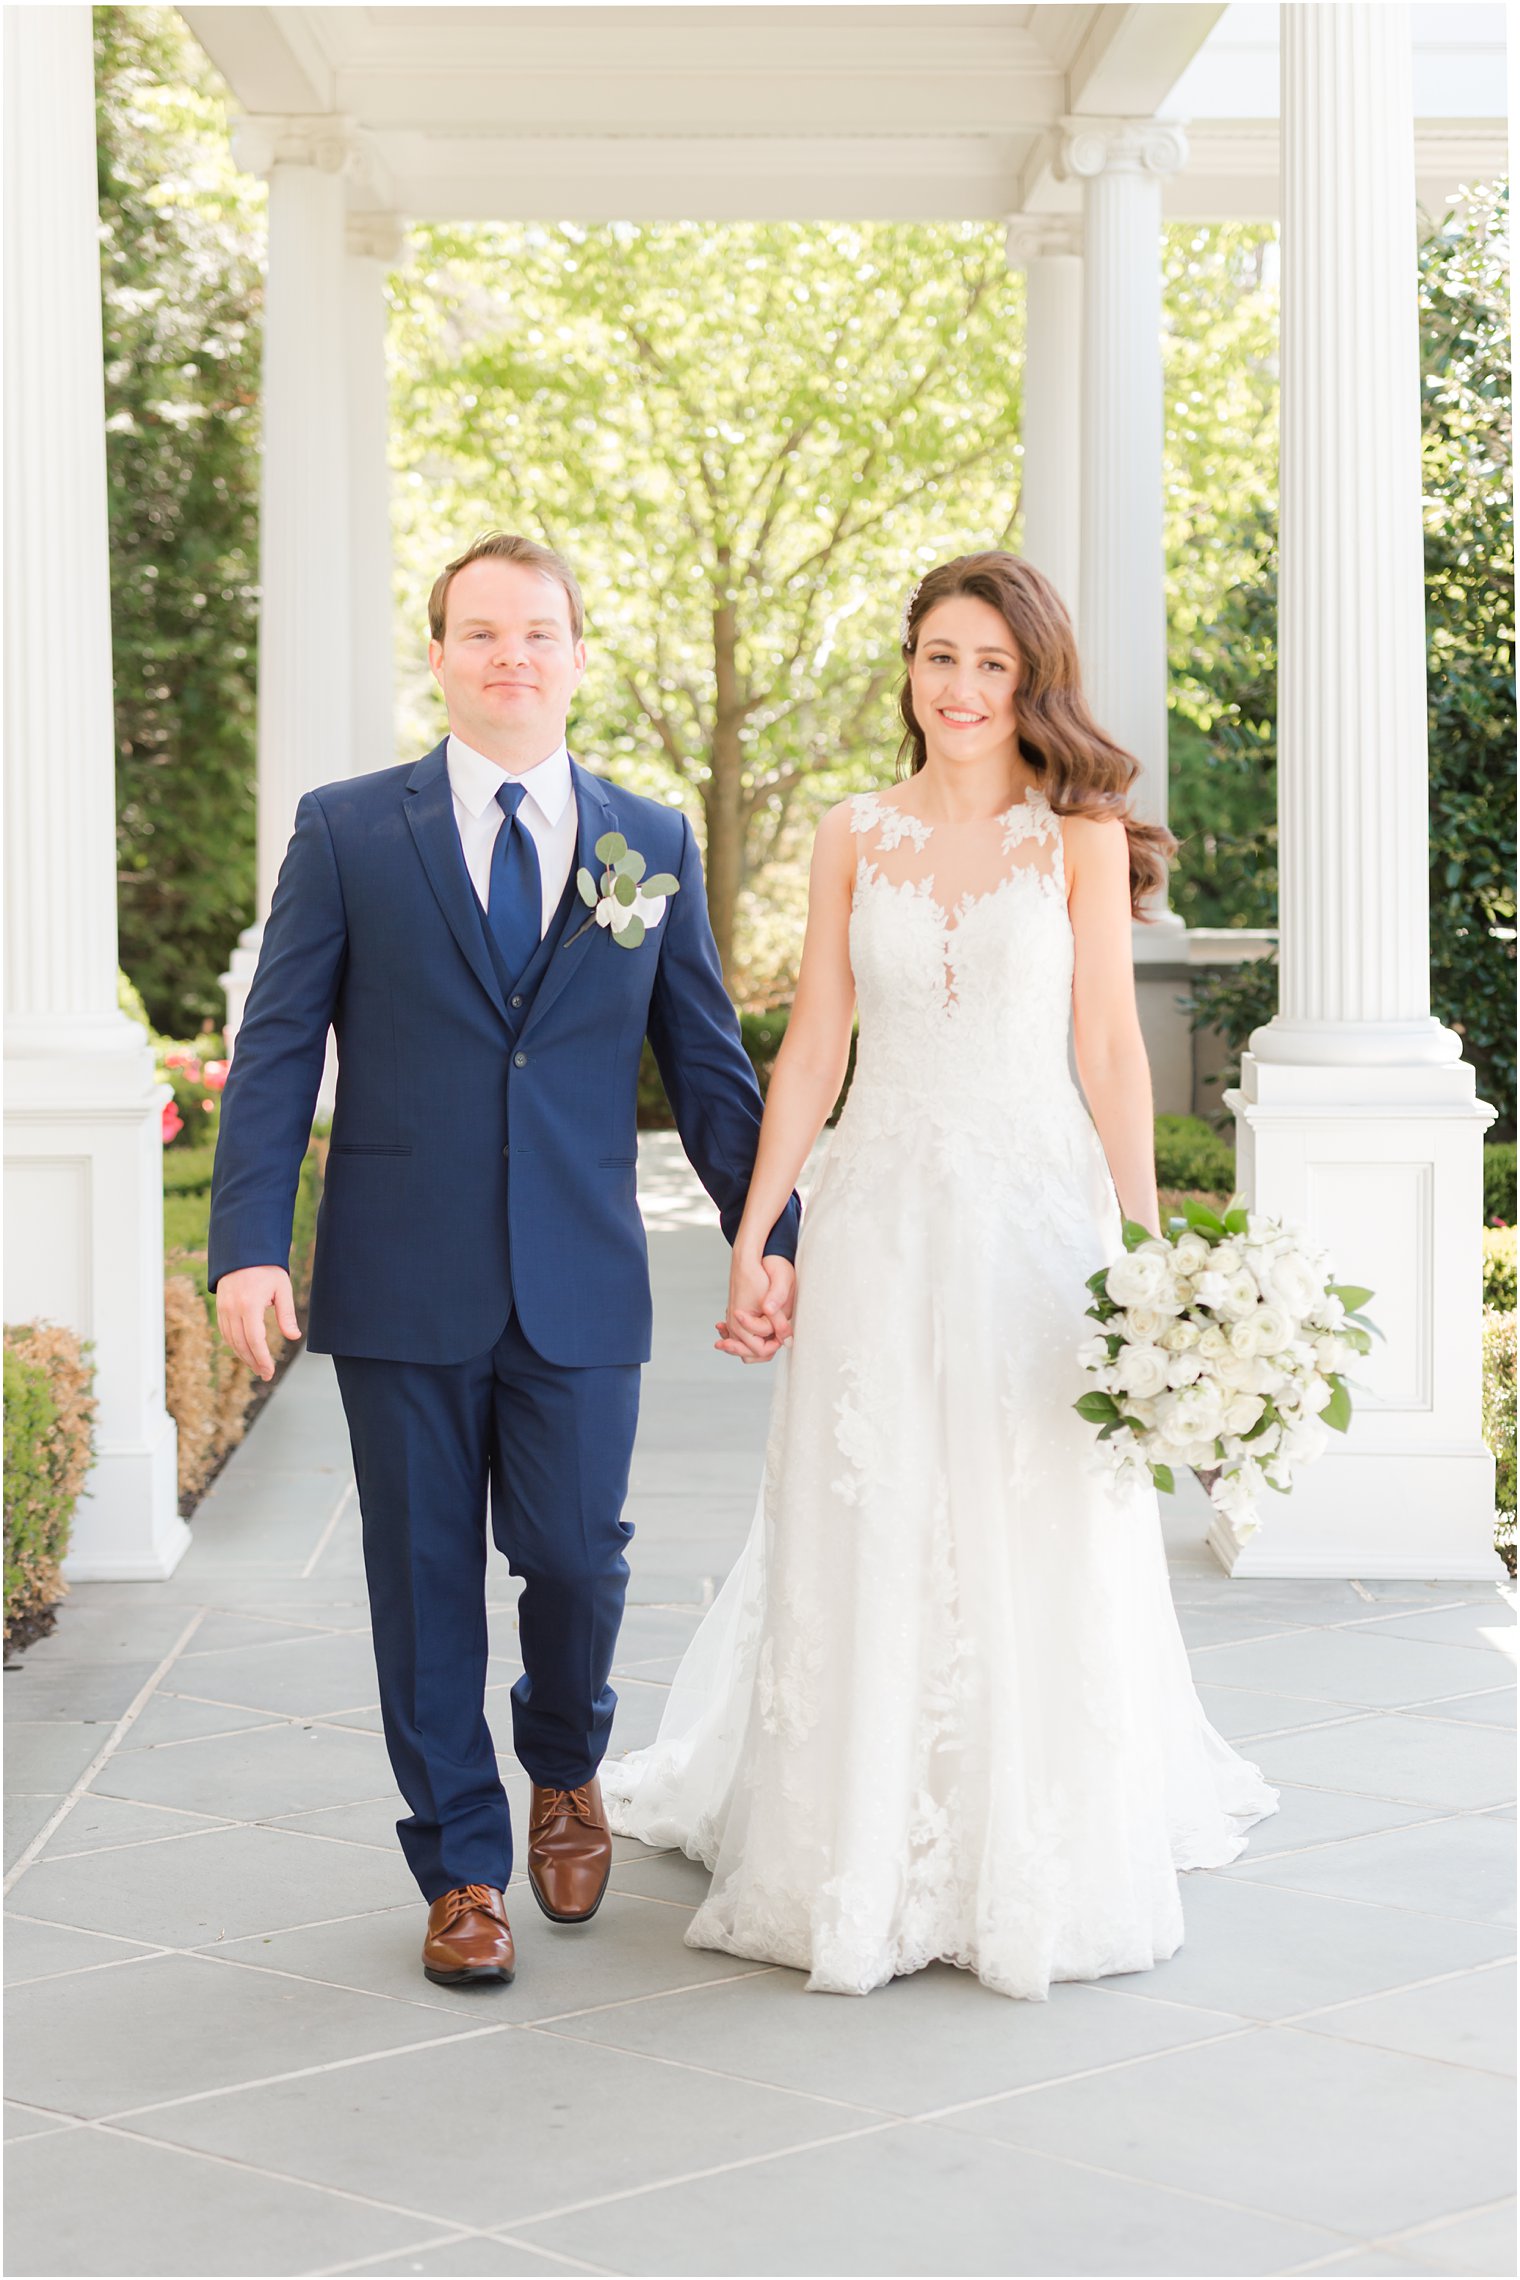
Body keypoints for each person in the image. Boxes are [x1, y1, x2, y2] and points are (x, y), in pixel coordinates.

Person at [602, 550, 1281, 2000]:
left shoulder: (1077, 843)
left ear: (1031, 683)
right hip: (880, 1214)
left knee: (1029, 1504)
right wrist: (759, 1227)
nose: (964, 689)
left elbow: (1109, 1047)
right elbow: (812, 1046)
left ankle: (1026, 1841)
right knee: (878, 1496)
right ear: (908, 675)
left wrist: (1146, 1246)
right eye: (940, 659)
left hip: (1037, 1218)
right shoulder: (855, 833)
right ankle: (857, 1844)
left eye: (992, 663)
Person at [209, 532, 799, 1989]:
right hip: (402, 1273)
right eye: (481, 634)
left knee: (578, 1561)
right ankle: (463, 1867)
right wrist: (244, 1246)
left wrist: (772, 1239)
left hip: (584, 1279)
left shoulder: (646, 841)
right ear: (440, 657)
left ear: (579, 656)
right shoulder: (349, 831)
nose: (511, 657)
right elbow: (281, 1045)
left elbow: (710, 1068)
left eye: (538, 633)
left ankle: (564, 1763)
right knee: (419, 1579)